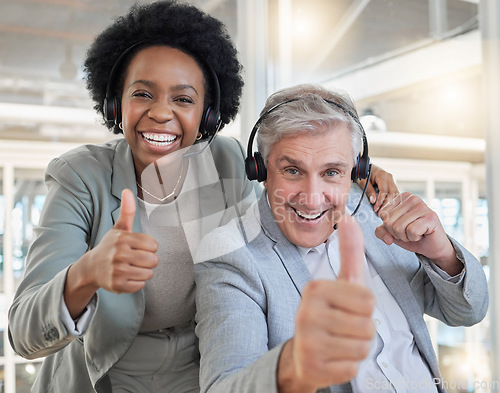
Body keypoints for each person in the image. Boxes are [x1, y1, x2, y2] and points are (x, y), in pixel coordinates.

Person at [7, 2, 397, 393]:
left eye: (183, 99)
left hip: (199, 373)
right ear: (116, 104)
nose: (161, 113)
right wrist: (86, 273)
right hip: (101, 377)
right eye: (143, 93)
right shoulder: (80, 176)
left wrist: (348, 174)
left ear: (209, 115)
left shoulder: (228, 161)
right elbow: (23, 334)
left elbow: (291, 177)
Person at [193, 84, 489, 393]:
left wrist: (443, 255)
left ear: (355, 171)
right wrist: (292, 366)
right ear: (262, 170)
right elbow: (224, 386)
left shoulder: (375, 213)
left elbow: (469, 311)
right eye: (293, 170)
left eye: (332, 172)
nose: (311, 198)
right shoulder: (231, 252)